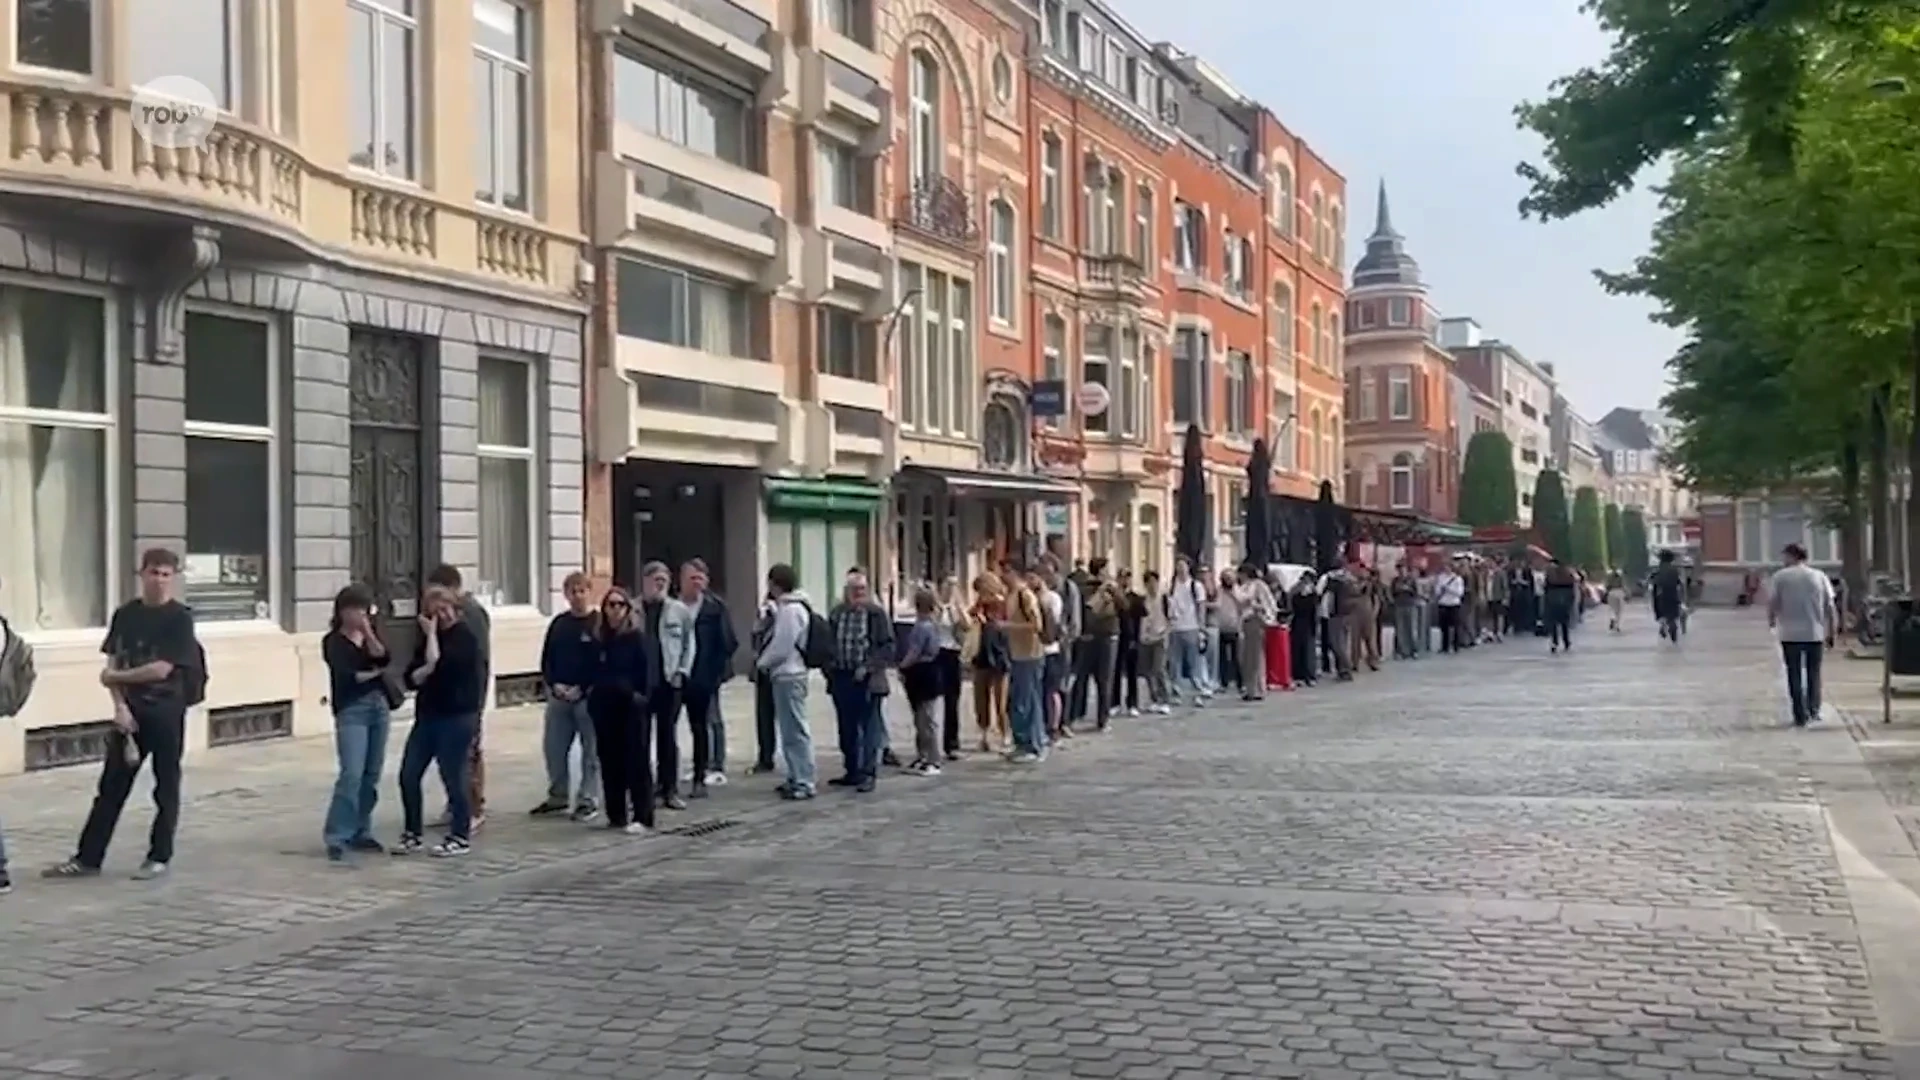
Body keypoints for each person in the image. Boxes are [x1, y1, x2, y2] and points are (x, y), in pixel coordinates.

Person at [44, 548, 201, 882]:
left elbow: (161, 669)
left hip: (166, 713)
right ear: (141, 574)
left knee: (166, 786)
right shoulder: (126, 615)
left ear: (173, 578)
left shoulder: (180, 619)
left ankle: (159, 855)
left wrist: (117, 679)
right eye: (153, 572)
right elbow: (112, 663)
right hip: (130, 715)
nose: (159, 580)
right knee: (111, 788)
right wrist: (119, 706)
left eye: (165, 574)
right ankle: (88, 858)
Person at [395, 585, 484, 858]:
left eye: (444, 610)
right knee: (408, 774)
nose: (441, 616)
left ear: (454, 609)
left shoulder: (465, 637)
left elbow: (439, 663)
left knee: (453, 775)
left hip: (457, 716)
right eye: (434, 613)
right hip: (428, 716)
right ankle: (412, 833)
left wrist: (431, 641)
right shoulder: (424, 641)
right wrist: (425, 668)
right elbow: (412, 676)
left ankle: (459, 835)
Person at [321, 585, 394, 863]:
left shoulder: (370, 635)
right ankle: (337, 834)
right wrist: (374, 673)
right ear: (342, 611)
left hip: (379, 707)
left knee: (371, 774)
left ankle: (361, 829)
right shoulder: (333, 641)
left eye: (366, 610)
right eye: (355, 610)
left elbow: (384, 657)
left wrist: (368, 633)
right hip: (352, 709)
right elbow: (348, 676)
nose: (361, 615)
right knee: (351, 773)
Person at [425, 564, 490, 831]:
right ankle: (456, 804)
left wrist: (477, 697)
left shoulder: (471, 614)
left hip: (468, 695)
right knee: (451, 755)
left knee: (469, 752)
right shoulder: (444, 613)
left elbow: (479, 657)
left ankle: (473, 807)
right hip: (446, 697)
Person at [586, 586, 655, 833]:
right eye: (610, 605)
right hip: (605, 708)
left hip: (631, 708)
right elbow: (590, 670)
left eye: (620, 605)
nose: (615, 610)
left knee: (636, 761)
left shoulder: (636, 639)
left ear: (628, 609)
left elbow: (646, 673)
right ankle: (616, 814)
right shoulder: (599, 639)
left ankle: (643, 815)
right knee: (609, 761)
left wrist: (639, 697)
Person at [532, 572, 600, 821]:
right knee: (554, 748)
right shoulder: (559, 624)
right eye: (573, 591)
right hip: (559, 696)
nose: (577, 596)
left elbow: (600, 662)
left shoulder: (597, 624)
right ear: (566, 595)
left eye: (582, 590)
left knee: (591, 751)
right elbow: (547, 658)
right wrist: (553, 685)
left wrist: (583, 688)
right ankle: (558, 795)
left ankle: (588, 798)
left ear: (589, 592)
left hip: (587, 698)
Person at [826, 571, 894, 792]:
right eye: (854, 590)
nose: (858, 594)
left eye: (862, 590)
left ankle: (868, 773)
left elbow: (887, 646)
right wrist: (830, 667)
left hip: (867, 679)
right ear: (846, 592)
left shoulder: (876, 614)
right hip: (842, 675)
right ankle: (852, 770)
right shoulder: (837, 613)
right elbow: (829, 642)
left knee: (869, 727)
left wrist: (868, 667)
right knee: (846, 728)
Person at [637, 561, 696, 810]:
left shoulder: (678, 611)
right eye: (654, 580)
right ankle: (643, 791)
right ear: (645, 582)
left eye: (663, 580)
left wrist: (682, 672)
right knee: (639, 739)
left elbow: (689, 644)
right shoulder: (633, 609)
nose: (659, 584)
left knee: (667, 738)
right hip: (640, 683)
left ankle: (669, 789)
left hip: (668, 682)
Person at [755, 563, 817, 799]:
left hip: (789, 674)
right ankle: (795, 775)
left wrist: (762, 663)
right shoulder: (787, 608)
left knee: (795, 729)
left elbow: (782, 645)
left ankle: (804, 780)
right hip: (786, 674)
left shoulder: (791, 610)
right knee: (789, 729)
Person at [677, 560, 737, 798]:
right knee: (670, 726)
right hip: (677, 676)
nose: (696, 583)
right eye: (691, 578)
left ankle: (711, 768)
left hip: (704, 675)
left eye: (700, 578)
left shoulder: (714, 608)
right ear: (681, 580)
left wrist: (714, 672)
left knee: (706, 723)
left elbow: (727, 642)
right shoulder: (674, 607)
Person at [1770, 542, 1837, 727]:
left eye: (1785, 556)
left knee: (1794, 673)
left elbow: (1773, 603)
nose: (1782, 559)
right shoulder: (1819, 576)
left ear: (1792, 556)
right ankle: (1813, 709)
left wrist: (1772, 621)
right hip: (1815, 632)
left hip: (1790, 633)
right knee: (1814, 673)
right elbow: (1830, 606)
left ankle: (1799, 713)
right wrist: (1832, 631)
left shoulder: (1780, 577)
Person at [1067, 558, 1120, 732]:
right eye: (1106, 569)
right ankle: (1074, 715)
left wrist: (1115, 591)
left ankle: (1103, 719)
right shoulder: (1085, 588)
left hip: (1107, 637)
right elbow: (1085, 609)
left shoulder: (1112, 588)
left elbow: (1124, 607)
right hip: (1089, 637)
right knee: (1081, 678)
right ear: (1100, 571)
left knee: (1104, 680)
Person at [896, 587, 945, 775]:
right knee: (922, 717)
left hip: (922, 672)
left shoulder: (921, 627)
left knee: (925, 718)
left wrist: (902, 665)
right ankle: (924, 755)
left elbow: (915, 651)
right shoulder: (933, 624)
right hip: (929, 671)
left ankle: (931, 758)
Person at [962, 578, 1011, 751]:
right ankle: (984, 734)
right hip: (982, 653)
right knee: (980, 698)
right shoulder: (980, 604)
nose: (979, 594)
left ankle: (1004, 732)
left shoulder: (1004, 602)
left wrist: (989, 620)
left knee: (1001, 700)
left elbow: (1005, 624)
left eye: (980, 590)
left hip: (999, 653)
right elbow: (970, 616)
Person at [1166, 557, 1210, 704]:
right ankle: (1176, 691)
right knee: (1174, 662)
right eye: (1178, 565)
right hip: (1175, 628)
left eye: (1183, 565)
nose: (1180, 568)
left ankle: (1197, 691)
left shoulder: (1195, 586)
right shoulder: (1171, 586)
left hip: (1191, 627)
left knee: (1193, 662)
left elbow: (1201, 607)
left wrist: (1201, 628)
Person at [933, 576, 966, 760]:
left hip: (953, 653)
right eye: (947, 586)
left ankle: (951, 744)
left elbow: (967, 626)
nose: (950, 590)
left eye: (953, 586)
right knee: (931, 700)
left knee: (952, 701)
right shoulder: (935, 606)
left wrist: (956, 610)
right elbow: (931, 625)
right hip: (937, 653)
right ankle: (930, 744)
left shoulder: (959, 608)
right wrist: (940, 608)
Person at [1234, 564, 1277, 700]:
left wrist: (1256, 606)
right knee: (1246, 657)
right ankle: (1251, 687)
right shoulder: (1243, 586)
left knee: (1255, 656)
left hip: (1255, 620)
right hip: (1245, 621)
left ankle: (1257, 689)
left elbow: (1268, 603)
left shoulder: (1258, 585)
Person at [1213, 569, 1243, 695]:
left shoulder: (1238, 589)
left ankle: (1240, 682)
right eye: (1225, 578)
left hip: (1235, 626)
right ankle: (1223, 682)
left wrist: (1233, 594)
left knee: (1237, 657)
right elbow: (1217, 605)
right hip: (1222, 626)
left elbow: (1241, 604)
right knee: (1222, 657)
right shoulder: (1219, 590)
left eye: (1230, 578)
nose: (1227, 580)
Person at [1288, 571, 1320, 687]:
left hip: (1308, 623)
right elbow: (1292, 606)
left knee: (1308, 650)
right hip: (1298, 622)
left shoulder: (1314, 593)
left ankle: (1309, 675)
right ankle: (1298, 675)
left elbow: (1315, 609)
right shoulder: (1295, 591)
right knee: (1297, 650)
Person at [1542, 558, 1579, 653]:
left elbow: (1545, 587)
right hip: (1564, 600)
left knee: (1553, 623)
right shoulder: (1567, 573)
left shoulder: (1550, 573)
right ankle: (1566, 642)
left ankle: (1555, 642)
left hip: (1553, 600)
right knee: (1564, 623)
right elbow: (1572, 587)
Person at [1650, 550, 1686, 642]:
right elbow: (1679, 583)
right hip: (1673, 594)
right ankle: (1672, 625)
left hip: (1660, 595)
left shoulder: (1657, 570)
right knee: (1672, 614)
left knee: (1661, 613)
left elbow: (1653, 582)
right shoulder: (1675, 571)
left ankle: (1663, 625)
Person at [1432, 560, 1466, 654]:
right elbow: (1437, 590)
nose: (1446, 569)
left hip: (1454, 603)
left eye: (1448, 567)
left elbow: (1459, 593)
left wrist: (1448, 589)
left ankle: (1456, 645)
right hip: (1443, 603)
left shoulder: (1457, 579)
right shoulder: (1440, 578)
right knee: (1444, 626)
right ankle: (1444, 646)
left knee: (1455, 626)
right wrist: (1439, 591)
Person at [1390, 563, 1422, 660]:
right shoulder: (1395, 581)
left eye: (1403, 569)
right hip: (1399, 606)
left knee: (1412, 629)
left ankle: (1414, 650)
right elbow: (1391, 593)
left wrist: (1409, 589)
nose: (1401, 572)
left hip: (1410, 605)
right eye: (1399, 570)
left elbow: (1418, 593)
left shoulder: (1412, 580)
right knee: (1399, 629)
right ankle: (1401, 651)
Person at [1604, 567, 1627, 631]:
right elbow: (1623, 586)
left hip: (1611, 592)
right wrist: (1627, 593)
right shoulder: (1620, 577)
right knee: (1619, 610)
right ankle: (1618, 625)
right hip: (1619, 592)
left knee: (1612, 608)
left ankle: (1612, 618)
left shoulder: (1609, 577)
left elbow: (1606, 585)